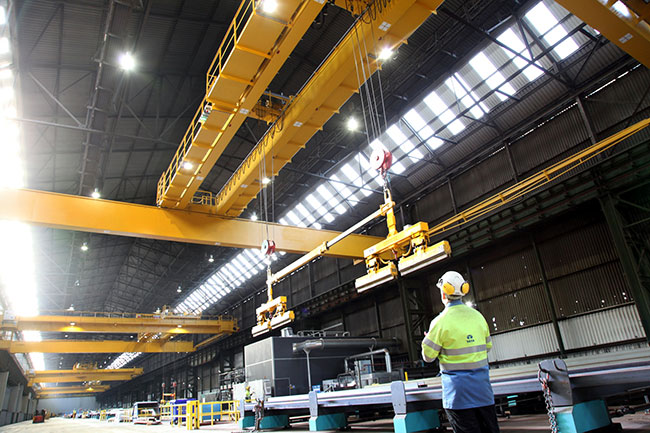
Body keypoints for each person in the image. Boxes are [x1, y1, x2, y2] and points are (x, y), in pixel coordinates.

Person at [421, 271, 499, 433]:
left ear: (443, 294)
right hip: (483, 393)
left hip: (459, 397)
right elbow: (488, 347)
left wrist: (428, 339)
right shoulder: (478, 317)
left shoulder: (440, 322)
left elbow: (428, 357)